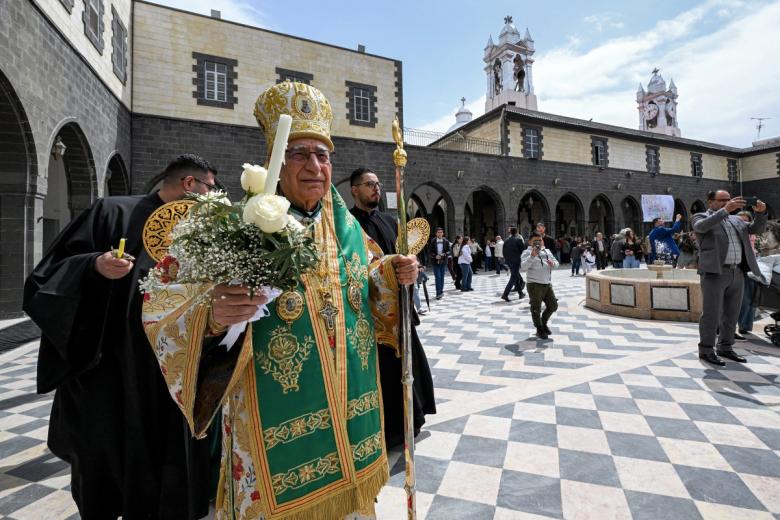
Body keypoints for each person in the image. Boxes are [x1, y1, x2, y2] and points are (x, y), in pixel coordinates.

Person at [142, 82, 420, 519]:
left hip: (351, 418)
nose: (314, 166)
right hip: (274, 427)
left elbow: (366, 278)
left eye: (323, 155)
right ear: (275, 160)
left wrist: (391, 272)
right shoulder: (239, 223)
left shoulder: (345, 224)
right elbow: (162, 300)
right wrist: (211, 314)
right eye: (299, 154)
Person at [23, 154, 218, 519]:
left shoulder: (205, 234)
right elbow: (44, 278)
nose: (212, 198)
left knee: (170, 468)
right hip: (109, 371)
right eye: (210, 188)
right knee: (104, 465)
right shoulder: (110, 212)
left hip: (172, 373)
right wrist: (94, 265)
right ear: (190, 184)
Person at [349, 166, 437, 448]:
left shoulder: (392, 222)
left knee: (408, 363)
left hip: (400, 306)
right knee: (382, 370)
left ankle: (414, 418)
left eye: (377, 183)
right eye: (368, 184)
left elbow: (407, 256)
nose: (375, 188)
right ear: (355, 190)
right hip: (370, 314)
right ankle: (387, 429)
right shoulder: (349, 225)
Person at [692, 190, 767, 366]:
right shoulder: (700, 216)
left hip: (737, 272)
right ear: (710, 202)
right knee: (711, 314)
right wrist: (725, 210)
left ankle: (725, 347)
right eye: (722, 200)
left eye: (729, 199)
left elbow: (757, 229)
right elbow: (700, 228)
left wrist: (761, 213)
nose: (728, 202)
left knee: (732, 313)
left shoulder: (736, 220)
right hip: (715, 272)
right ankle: (706, 350)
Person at [521, 232, 559, 339]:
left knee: (553, 306)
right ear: (530, 242)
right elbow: (523, 267)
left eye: (540, 240)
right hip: (534, 284)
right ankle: (539, 328)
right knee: (536, 308)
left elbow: (557, 264)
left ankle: (543, 322)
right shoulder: (526, 252)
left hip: (547, 284)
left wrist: (553, 264)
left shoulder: (547, 251)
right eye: (535, 241)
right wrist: (532, 256)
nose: (538, 242)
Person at [736, 211, 758, 339]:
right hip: (736, 267)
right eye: (740, 221)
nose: (743, 223)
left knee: (748, 299)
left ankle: (744, 326)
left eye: (746, 221)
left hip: (748, 268)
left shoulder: (749, 233)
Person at [501, 227, 526, 301]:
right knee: (513, 278)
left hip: (509, 261)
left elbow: (504, 252)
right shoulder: (518, 240)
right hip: (516, 262)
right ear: (516, 232)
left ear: (510, 232)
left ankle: (520, 293)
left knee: (515, 277)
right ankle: (505, 294)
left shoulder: (506, 241)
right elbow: (523, 252)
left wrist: (507, 261)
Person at [427, 227, 451, 300]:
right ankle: (438, 293)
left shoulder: (446, 241)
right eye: (438, 232)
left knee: (442, 278)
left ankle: (441, 291)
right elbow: (430, 252)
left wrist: (444, 254)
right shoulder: (433, 241)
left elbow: (449, 251)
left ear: (443, 233)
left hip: (443, 262)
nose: (440, 233)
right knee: (438, 277)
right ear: (436, 233)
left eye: (441, 232)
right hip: (435, 262)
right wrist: (435, 256)